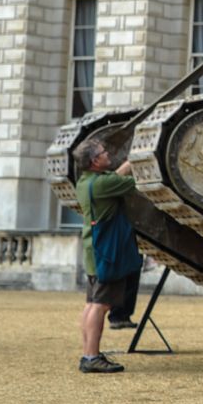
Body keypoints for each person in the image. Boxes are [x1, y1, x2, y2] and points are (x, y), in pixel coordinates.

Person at [73, 138, 139, 374]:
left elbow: (114, 179)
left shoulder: (86, 181)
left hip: (95, 251)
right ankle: (92, 357)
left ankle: (89, 353)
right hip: (107, 253)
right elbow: (132, 183)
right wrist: (138, 161)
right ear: (94, 161)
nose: (108, 153)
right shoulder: (102, 184)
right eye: (103, 152)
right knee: (101, 305)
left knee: (92, 303)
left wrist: (128, 162)